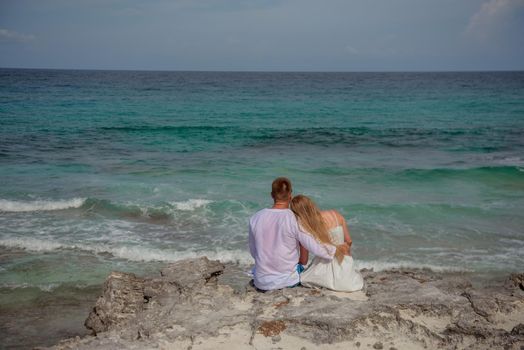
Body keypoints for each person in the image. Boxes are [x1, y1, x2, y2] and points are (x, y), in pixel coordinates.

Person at [248, 177, 349, 291]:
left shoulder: (255, 218)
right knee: (304, 269)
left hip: (261, 281)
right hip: (286, 281)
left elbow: (253, 251)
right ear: (290, 195)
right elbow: (315, 247)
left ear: (272, 195)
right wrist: (337, 249)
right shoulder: (294, 219)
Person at [290, 195, 364, 292]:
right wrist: (342, 252)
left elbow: (304, 259)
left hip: (326, 263)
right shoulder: (335, 214)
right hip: (345, 261)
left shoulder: (307, 226)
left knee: (304, 278)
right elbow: (349, 241)